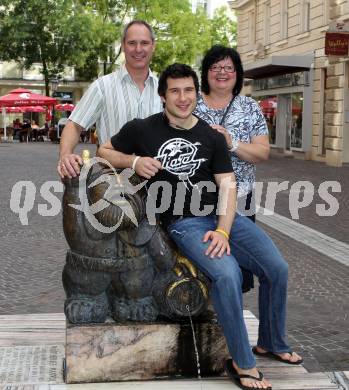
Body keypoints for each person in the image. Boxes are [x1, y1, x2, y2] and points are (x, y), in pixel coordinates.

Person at [98, 63, 302, 390]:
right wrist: (134, 161)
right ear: (162, 96)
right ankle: (243, 362)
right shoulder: (143, 129)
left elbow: (228, 185)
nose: (183, 97)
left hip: (222, 218)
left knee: (276, 268)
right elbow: (103, 149)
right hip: (184, 221)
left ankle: (272, 342)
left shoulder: (211, 136)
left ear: (196, 92)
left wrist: (223, 230)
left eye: (189, 90)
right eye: (175, 91)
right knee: (227, 274)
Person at [58, 19, 163, 179]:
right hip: (113, 182)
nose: (138, 49)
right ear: (123, 46)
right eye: (132, 43)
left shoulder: (165, 89)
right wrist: (65, 155)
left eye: (144, 43)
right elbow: (74, 125)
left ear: (153, 46)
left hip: (158, 183)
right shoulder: (102, 87)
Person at [194, 45, 270, 222]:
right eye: (215, 67)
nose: (222, 72)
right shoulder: (190, 103)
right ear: (206, 72)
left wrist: (232, 143)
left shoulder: (249, 107)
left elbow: (263, 152)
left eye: (229, 68)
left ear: (237, 73)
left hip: (241, 199)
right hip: (195, 198)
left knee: (241, 249)